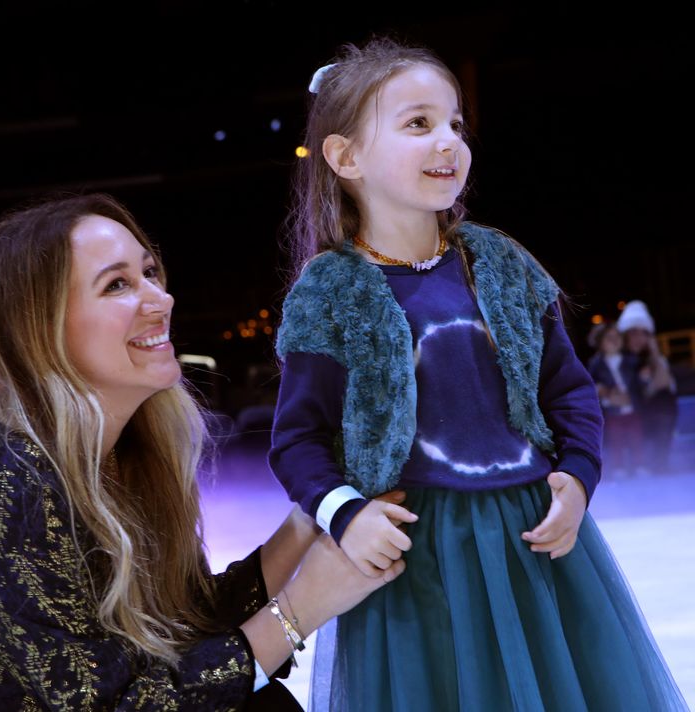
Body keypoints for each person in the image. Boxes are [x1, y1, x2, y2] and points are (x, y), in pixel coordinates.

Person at [0, 194, 402, 710]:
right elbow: (114, 703)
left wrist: (309, 521)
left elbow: (181, 624)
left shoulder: (124, 456)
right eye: (117, 285)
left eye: (150, 273)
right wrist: (301, 607)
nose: (158, 299)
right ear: (43, 329)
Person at [269, 38, 688, 711]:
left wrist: (578, 481)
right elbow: (297, 440)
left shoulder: (501, 264)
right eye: (417, 123)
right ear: (347, 158)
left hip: (532, 543)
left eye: (454, 123)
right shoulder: (330, 292)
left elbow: (570, 391)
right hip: (417, 556)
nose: (448, 141)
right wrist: (345, 515)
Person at [617, 299, 679, 474]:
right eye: (633, 333)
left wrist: (654, 352)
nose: (638, 338)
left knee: (664, 403)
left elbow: (664, 384)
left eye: (643, 333)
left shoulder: (653, 359)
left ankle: (660, 465)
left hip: (654, 411)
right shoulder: (619, 359)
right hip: (631, 411)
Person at [586, 322, 644, 478]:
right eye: (609, 338)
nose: (614, 341)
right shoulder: (596, 364)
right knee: (616, 440)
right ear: (601, 343)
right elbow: (592, 386)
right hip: (612, 411)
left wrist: (630, 397)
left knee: (636, 438)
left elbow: (637, 384)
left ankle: (639, 465)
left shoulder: (631, 360)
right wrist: (608, 395)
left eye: (617, 337)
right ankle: (618, 468)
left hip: (631, 408)